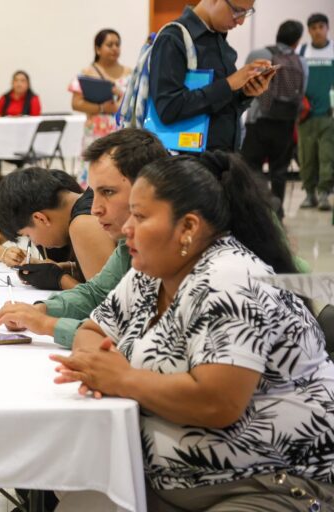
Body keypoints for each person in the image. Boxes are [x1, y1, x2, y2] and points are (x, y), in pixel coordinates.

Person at [52, 152, 334, 511]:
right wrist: (101, 361)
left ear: (187, 227)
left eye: (140, 216)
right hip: (165, 481)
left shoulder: (230, 279)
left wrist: (120, 378)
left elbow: (217, 403)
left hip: (266, 486)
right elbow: (93, 328)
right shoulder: (151, 270)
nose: (127, 228)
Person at [0, 129, 168, 347]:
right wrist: (41, 310)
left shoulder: (184, 258)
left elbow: (127, 334)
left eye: (109, 192)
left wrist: (47, 323)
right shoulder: (128, 240)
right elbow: (99, 293)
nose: (94, 209)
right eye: (94, 193)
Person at [148, 0, 275, 152]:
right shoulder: (173, 38)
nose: (240, 21)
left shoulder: (218, 40)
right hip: (186, 164)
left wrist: (245, 94)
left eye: (246, 13)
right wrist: (228, 85)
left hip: (223, 160)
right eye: (237, 11)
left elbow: (220, 110)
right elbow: (168, 109)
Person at [0, 168, 116, 290]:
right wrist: (62, 268)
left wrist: (60, 280)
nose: (35, 243)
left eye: (29, 236)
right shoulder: (89, 200)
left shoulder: (83, 224)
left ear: (40, 218)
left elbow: (107, 304)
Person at [241, 20, 307, 216]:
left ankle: (256, 211)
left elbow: (245, 86)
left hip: (259, 122)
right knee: (279, 171)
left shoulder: (259, 55)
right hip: (286, 124)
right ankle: (277, 215)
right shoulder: (301, 62)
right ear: (296, 41)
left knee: (252, 169)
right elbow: (301, 93)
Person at [69, 29, 131, 186]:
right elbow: (76, 103)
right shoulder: (88, 72)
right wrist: (102, 108)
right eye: (109, 45)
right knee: (93, 177)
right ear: (97, 49)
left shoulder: (130, 72)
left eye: (117, 44)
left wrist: (120, 95)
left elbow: (134, 102)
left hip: (121, 133)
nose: (115, 48)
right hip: (95, 135)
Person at [298, 13, 334, 210]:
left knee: (328, 156)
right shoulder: (303, 51)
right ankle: (309, 194)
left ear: (327, 28)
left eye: (321, 26)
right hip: (306, 116)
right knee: (306, 157)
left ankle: (324, 194)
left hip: (329, 115)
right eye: (313, 27)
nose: (318, 30)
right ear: (309, 31)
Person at [0, 70, 42, 179]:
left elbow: (36, 121)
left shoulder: (33, 99)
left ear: (28, 84)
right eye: (16, 80)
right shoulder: (4, 98)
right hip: (5, 138)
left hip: (25, 140)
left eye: (22, 81)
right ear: (12, 83)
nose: (19, 83)